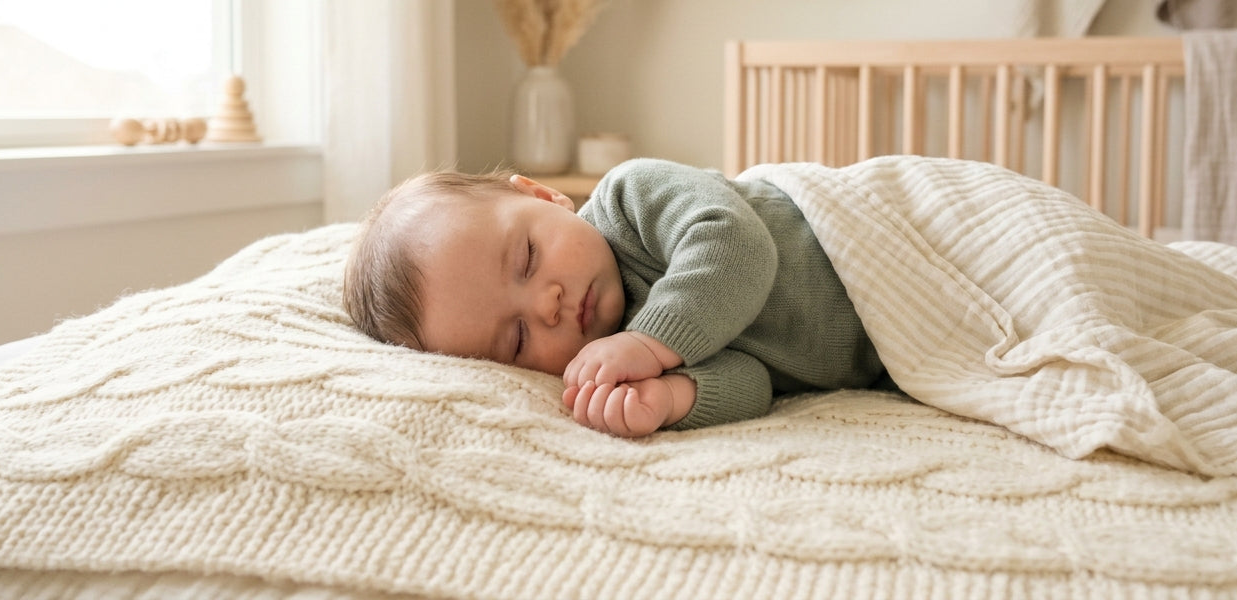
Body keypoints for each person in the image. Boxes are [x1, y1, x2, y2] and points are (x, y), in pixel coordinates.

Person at [343, 158, 882, 438]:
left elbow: (737, 245)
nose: (545, 306)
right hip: (890, 347)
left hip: (879, 235)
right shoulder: (629, 353)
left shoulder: (631, 197)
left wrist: (650, 344)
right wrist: (671, 399)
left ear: (540, 194)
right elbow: (756, 380)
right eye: (517, 338)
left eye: (527, 259)